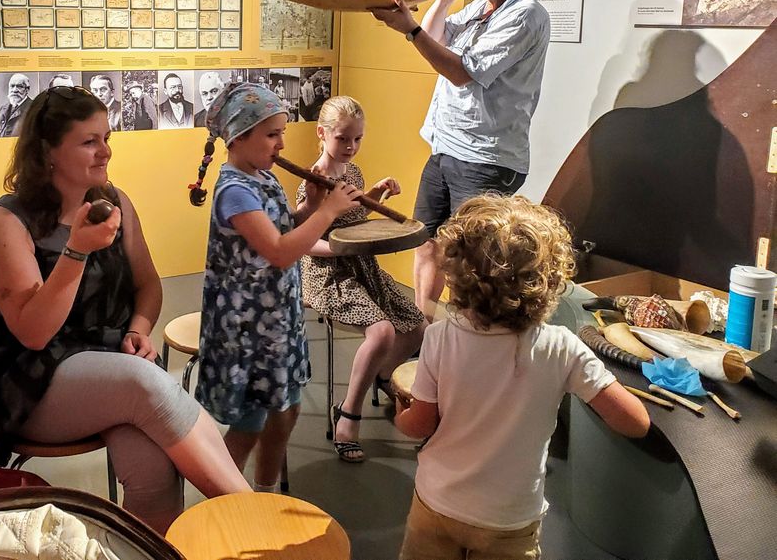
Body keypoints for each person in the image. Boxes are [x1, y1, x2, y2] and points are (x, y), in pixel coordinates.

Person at [0, 86, 250, 533]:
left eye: (106, 138)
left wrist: (139, 328)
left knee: (154, 467)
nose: (105, 152)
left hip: (111, 365)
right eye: (89, 141)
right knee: (142, 382)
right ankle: (250, 516)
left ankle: (153, 548)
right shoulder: (6, 222)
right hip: (28, 380)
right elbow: (33, 333)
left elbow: (148, 285)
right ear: (47, 153)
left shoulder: (114, 201)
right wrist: (75, 253)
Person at [394, 194, 649, 560]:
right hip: (509, 519)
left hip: (438, 502)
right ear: (548, 281)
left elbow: (420, 425)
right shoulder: (562, 347)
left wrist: (400, 414)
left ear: (458, 275)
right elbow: (635, 422)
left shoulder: (440, 336)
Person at [188, 83, 361, 492]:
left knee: (286, 409)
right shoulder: (234, 190)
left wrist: (313, 205)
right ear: (238, 137)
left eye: (282, 132)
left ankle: (263, 491)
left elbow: (286, 228)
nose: (282, 144)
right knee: (250, 422)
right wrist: (331, 212)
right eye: (272, 134)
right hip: (247, 326)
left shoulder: (262, 177)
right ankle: (224, 497)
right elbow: (280, 252)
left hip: (277, 318)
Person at [373, 0, 550, 320]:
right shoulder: (479, 8)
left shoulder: (524, 14)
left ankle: (463, 339)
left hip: (484, 157)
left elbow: (461, 71)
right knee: (427, 243)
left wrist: (410, 28)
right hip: (447, 146)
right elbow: (434, 36)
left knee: (469, 260)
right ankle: (423, 330)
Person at [296, 96, 425, 463]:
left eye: (357, 139)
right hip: (327, 274)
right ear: (322, 135)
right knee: (383, 331)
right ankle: (349, 415)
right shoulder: (312, 183)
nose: (350, 147)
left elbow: (351, 213)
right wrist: (340, 252)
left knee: (417, 326)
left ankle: (382, 375)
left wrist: (374, 195)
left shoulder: (352, 173)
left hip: (362, 267)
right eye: (342, 139)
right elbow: (306, 240)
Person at [0, 73, 33, 137]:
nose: (14, 90)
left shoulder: (33, 108)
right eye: (12, 86)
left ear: (27, 90)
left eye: (19, 86)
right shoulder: (3, 109)